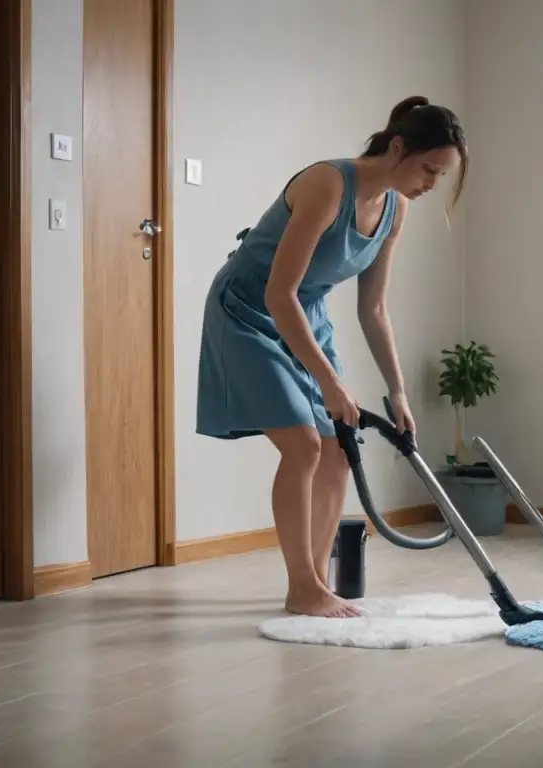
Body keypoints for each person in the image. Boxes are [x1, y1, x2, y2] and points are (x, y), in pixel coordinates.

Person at [195, 96, 468, 618]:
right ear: (397, 148)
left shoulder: (395, 209)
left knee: (338, 450)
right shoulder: (327, 184)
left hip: (307, 313)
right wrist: (330, 383)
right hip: (249, 308)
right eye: (430, 169)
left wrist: (397, 392)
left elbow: (374, 308)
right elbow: (279, 292)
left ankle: (317, 582)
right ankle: (302, 586)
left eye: (442, 175)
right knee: (303, 446)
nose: (433, 183)